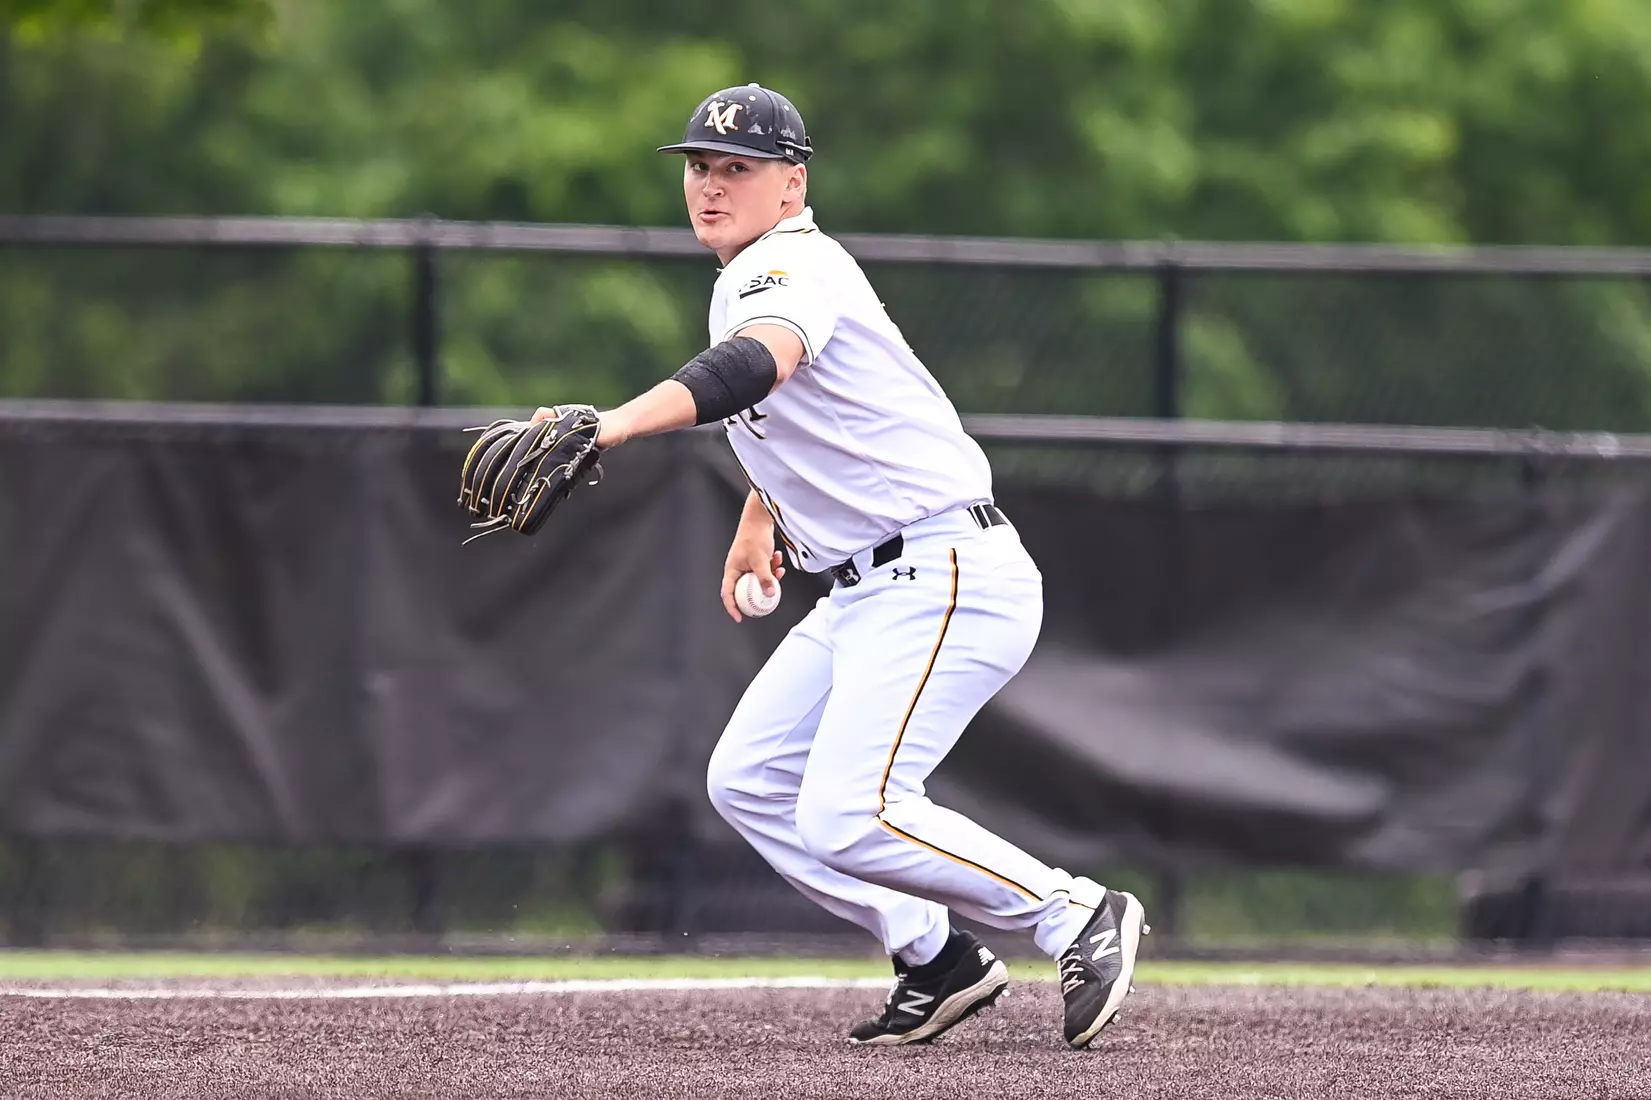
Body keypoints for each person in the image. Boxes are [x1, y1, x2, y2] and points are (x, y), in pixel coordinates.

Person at [533, 83, 1147, 1048]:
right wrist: (759, 513)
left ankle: (1074, 913)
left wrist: (610, 426)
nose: (709, 185)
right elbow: (823, 415)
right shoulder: (761, 271)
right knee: (748, 779)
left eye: (737, 168)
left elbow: (752, 368)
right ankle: (936, 956)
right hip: (871, 583)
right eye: (698, 165)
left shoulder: (789, 264)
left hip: (941, 572)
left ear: (792, 183)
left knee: (848, 812)